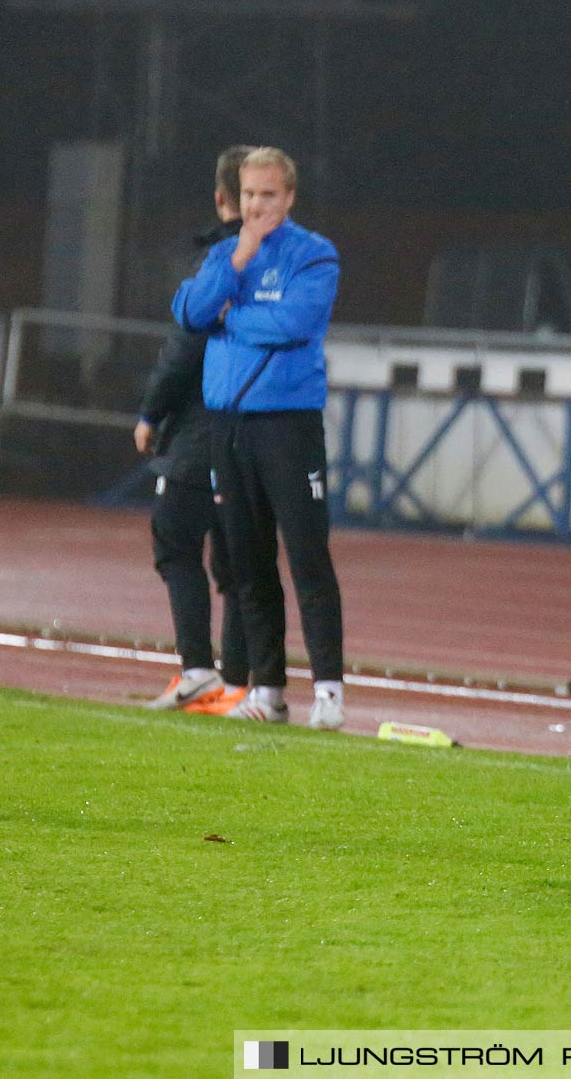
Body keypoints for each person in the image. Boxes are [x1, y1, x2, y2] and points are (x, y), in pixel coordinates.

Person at [171, 147, 346, 730]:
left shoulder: (314, 255)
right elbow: (191, 311)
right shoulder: (226, 254)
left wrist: (231, 318)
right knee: (248, 565)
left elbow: (293, 324)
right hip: (229, 428)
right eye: (248, 195)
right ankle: (267, 690)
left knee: (307, 559)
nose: (256, 205)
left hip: (287, 426)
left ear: (289, 197)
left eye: (267, 195)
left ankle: (328, 692)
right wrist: (239, 258)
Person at [140, 145, 254, 714]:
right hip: (263, 434)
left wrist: (150, 413)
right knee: (238, 561)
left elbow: (184, 349)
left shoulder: (219, 261)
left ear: (219, 197)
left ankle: (197, 671)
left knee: (175, 540)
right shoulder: (290, 262)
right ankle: (239, 685)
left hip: (204, 432)